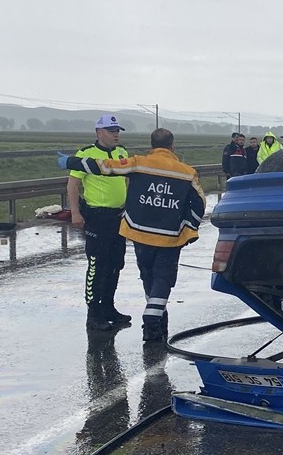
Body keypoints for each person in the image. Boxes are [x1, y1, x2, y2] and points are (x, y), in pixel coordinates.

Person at [60, 128, 206, 342]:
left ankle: (154, 313)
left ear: (152, 146)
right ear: (172, 146)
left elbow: (103, 167)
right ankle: (152, 316)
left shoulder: (138, 163)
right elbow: (199, 202)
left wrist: (70, 162)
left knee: (147, 274)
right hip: (169, 235)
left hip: (139, 232)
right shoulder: (186, 172)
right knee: (162, 277)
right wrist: (189, 228)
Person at [68, 114, 131, 331]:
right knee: (97, 264)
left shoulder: (122, 152)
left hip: (118, 217)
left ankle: (108, 307)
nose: (116, 134)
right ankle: (93, 313)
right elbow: (73, 185)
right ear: (99, 132)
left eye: (117, 131)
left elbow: (127, 180)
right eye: (112, 131)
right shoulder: (85, 154)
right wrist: (75, 213)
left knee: (116, 264)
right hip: (97, 217)